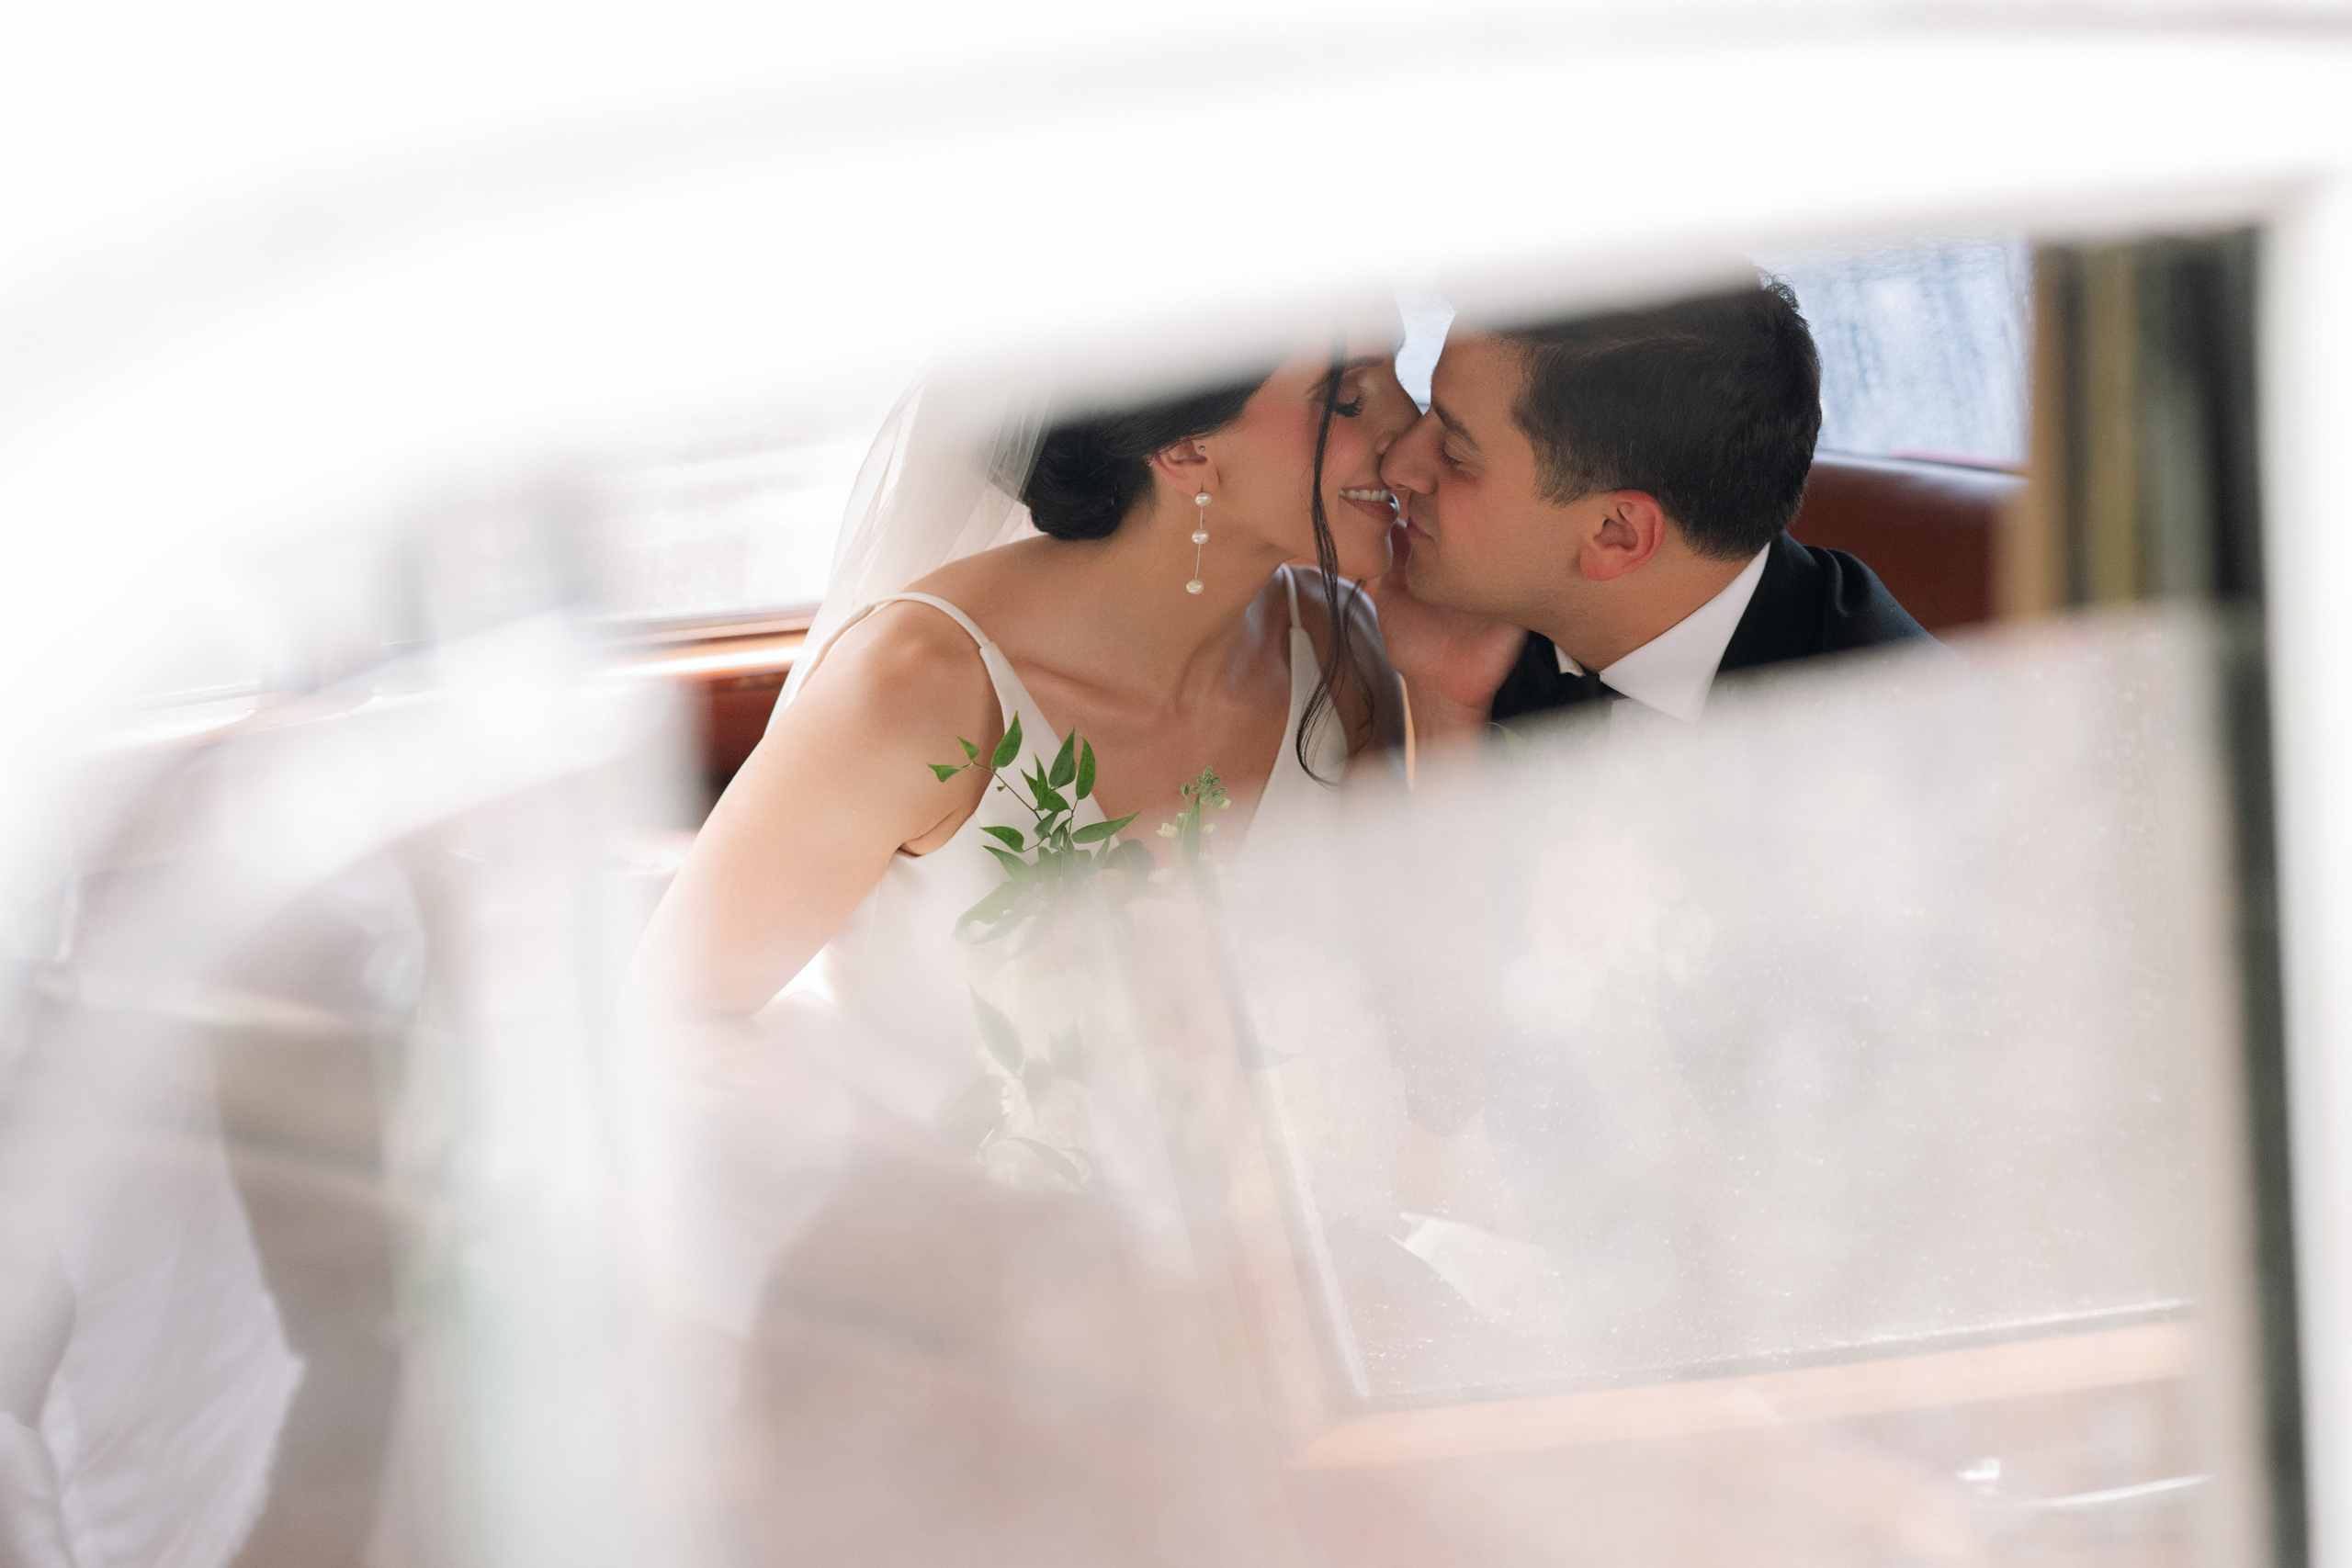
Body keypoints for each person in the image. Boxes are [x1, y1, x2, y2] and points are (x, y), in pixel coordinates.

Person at [634, 321, 1418, 1153]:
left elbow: (1407, 996)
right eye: (1346, 396)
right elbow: (664, 1026)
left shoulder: (1340, 650)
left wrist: (1448, 696)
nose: (1413, 425)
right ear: (1186, 448)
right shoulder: (916, 689)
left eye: (1402, 374)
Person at [1372, 276, 1934, 750]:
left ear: (1617, 534)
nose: (1397, 462)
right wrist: (1445, 704)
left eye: (1454, 452)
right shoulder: (1495, 624)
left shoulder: (1895, 749)